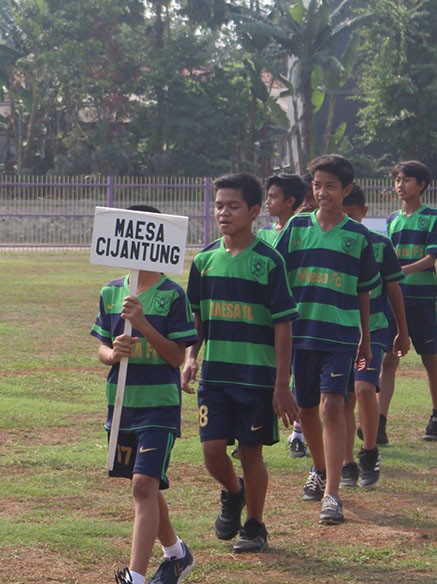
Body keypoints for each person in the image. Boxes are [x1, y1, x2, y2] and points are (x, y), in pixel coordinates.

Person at [182, 173, 299, 553]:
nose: (224, 213)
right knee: (212, 450)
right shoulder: (204, 261)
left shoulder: (269, 261)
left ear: (253, 211)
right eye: (219, 206)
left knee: (251, 452)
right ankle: (235, 492)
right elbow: (197, 317)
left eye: (233, 206)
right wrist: (191, 357)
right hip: (215, 376)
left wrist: (282, 384)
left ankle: (255, 525)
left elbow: (283, 324)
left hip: (256, 377)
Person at [92, 206, 198, 584]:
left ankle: (135, 577)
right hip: (123, 405)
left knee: (143, 485)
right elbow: (101, 348)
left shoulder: (172, 295)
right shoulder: (111, 292)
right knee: (145, 485)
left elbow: (176, 356)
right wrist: (112, 353)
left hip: (160, 406)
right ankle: (177, 554)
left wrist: (143, 324)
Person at [276, 154, 379, 524]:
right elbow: (277, 274)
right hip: (301, 334)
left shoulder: (358, 236)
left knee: (332, 406)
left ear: (346, 190)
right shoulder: (297, 226)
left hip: (339, 336)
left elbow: (365, 290)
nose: (322, 192)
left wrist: (366, 338)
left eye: (330, 186)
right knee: (306, 410)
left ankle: (332, 495)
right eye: (317, 185)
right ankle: (319, 469)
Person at [341, 186, 409, 488]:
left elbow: (394, 289)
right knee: (343, 398)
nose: (347, 220)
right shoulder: (331, 243)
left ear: (364, 213)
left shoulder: (380, 245)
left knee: (364, 388)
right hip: (340, 328)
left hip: (376, 327)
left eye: (351, 214)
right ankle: (346, 463)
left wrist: (403, 331)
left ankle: (369, 451)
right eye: (342, 215)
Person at [382, 160, 437, 442]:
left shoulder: (433, 216)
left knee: (429, 358)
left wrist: (403, 270)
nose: (400, 185)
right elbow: (386, 257)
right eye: (398, 179)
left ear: (421, 185)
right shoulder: (391, 220)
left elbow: (432, 257)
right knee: (389, 359)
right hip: (396, 299)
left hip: (424, 298)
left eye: (406, 180)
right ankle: (380, 421)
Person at [254, 172, 310, 459]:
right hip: (265, 314)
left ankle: (298, 433)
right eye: (267, 196)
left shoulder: (305, 232)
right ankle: (252, 431)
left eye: (274, 197)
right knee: (268, 370)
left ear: (291, 201)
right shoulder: (263, 233)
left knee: (296, 372)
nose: (268, 202)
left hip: (294, 313)